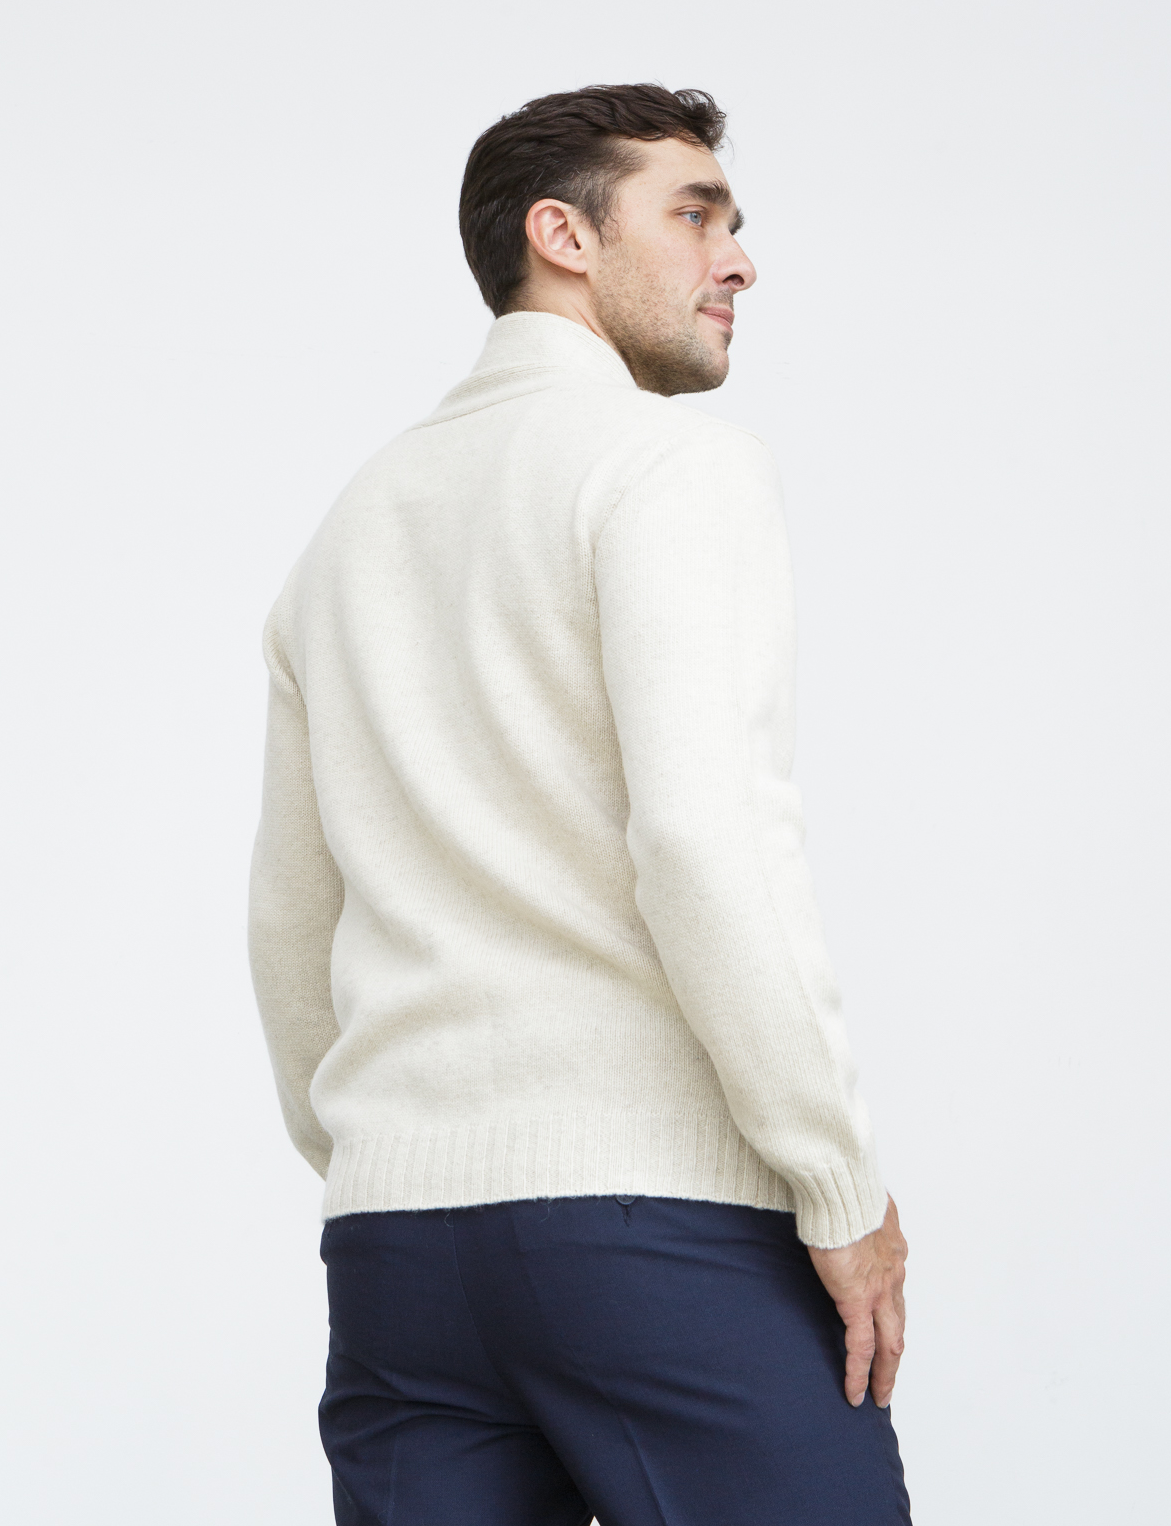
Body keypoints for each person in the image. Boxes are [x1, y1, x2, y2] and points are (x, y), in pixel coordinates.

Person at [249, 83, 911, 1525]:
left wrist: (386, 1160)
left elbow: (292, 916)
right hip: (653, 1229)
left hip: (397, 1255)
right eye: (696, 216)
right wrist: (838, 1185)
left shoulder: (352, 525)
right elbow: (708, 841)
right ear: (562, 235)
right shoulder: (666, 463)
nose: (739, 261)